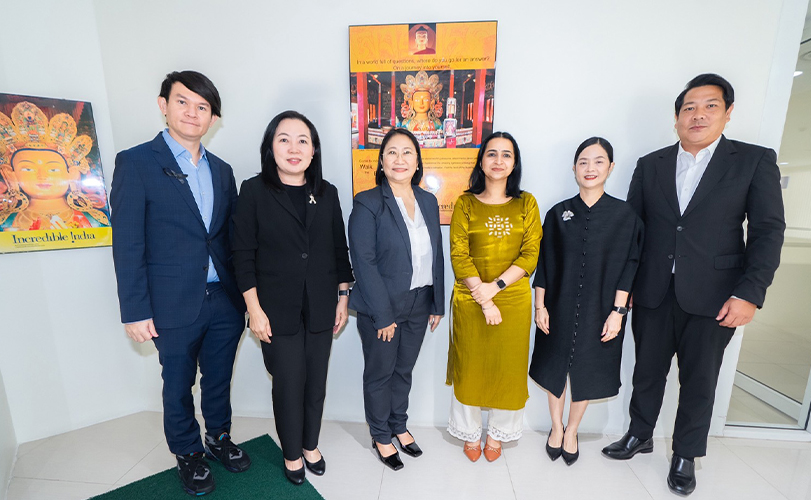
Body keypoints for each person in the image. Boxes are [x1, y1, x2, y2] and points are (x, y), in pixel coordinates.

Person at [601, 74, 785, 496]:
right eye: (689, 108)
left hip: (716, 295)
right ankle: (640, 433)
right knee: (647, 371)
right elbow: (635, 233)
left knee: (700, 379)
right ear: (677, 117)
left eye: (710, 106)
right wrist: (625, 290)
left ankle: (685, 454)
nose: (698, 115)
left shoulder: (752, 161)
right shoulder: (651, 164)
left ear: (728, 112)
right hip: (652, 291)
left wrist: (749, 293)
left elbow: (767, 231)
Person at [111, 71, 250, 496]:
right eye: (183, 102)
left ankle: (218, 437)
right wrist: (135, 311)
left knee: (219, 378)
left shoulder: (222, 171)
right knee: (177, 384)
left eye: (202, 106)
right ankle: (188, 453)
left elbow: (228, 238)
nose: (192, 112)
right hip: (170, 302)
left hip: (224, 299)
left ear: (213, 118)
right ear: (163, 105)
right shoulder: (136, 162)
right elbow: (128, 242)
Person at [231, 110, 353, 485]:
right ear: (271, 147)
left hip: (321, 305)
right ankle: (291, 452)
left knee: (315, 381)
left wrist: (343, 297)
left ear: (314, 150)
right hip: (274, 309)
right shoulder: (254, 191)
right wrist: (253, 309)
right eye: (284, 139)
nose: (294, 148)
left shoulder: (327, 193)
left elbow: (339, 249)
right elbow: (242, 254)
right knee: (288, 382)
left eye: (303, 141)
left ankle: (310, 444)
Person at [529, 137, 643, 466]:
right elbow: (545, 262)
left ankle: (572, 430)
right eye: (583, 162)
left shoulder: (625, 215)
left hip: (601, 308)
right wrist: (540, 306)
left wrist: (618, 312)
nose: (590, 168)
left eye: (598, 161)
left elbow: (630, 265)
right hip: (558, 305)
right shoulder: (558, 213)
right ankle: (556, 427)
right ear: (574, 168)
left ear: (611, 167)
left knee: (587, 368)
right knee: (555, 366)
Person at [348, 128, 445, 471]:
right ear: (381, 161)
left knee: (403, 370)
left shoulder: (428, 201)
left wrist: (437, 303)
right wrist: (383, 315)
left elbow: (436, 255)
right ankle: (380, 434)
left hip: (420, 303)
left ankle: (398, 425)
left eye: (407, 152)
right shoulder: (368, 202)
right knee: (381, 373)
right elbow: (364, 262)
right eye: (392, 152)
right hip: (383, 308)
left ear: (417, 162)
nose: (399, 159)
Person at [446, 131, 542, 462]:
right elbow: (459, 255)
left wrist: (495, 288)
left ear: (514, 164)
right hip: (470, 299)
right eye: (492, 153)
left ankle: (499, 434)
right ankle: (469, 432)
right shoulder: (465, 203)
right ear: (481, 161)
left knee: (507, 368)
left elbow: (530, 254)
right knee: (470, 366)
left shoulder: (526, 203)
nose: (498, 160)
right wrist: (484, 298)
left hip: (513, 300)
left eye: (506, 154)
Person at [0, 101, 109, 231]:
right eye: (28, 169)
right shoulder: (5, 223)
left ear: (72, 174)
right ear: (10, 174)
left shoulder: (95, 221)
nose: (42, 176)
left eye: (53, 169)